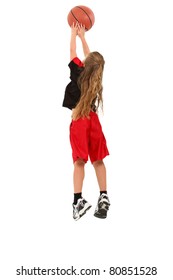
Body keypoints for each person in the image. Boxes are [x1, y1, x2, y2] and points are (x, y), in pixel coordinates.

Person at [62, 22, 110, 221]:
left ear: (86, 64)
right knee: (98, 160)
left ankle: (77, 202)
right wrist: (84, 38)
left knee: (79, 161)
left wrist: (74, 35)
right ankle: (104, 196)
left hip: (80, 121)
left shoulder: (78, 73)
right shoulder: (96, 78)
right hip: (94, 121)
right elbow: (92, 60)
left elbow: (72, 51)